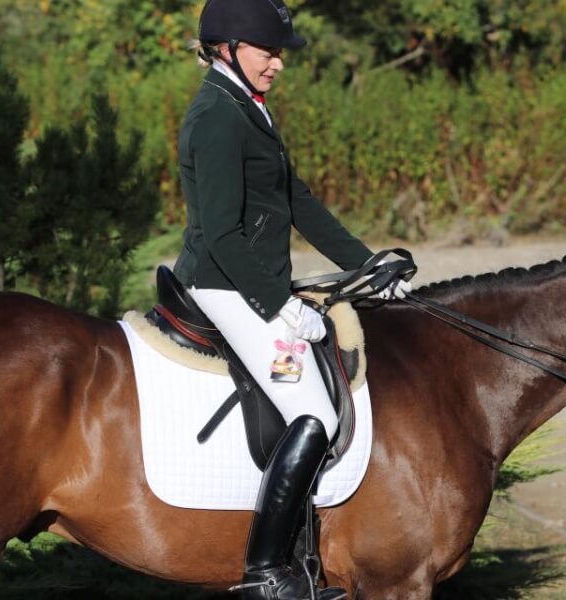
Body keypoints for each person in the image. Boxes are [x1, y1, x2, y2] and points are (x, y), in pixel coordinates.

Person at [173, 1, 411, 598]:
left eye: (279, 53)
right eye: (267, 52)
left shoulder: (249, 106)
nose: (277, 63)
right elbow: (224, 236)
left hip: (244, 277)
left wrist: (365, 263)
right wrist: (281, 304)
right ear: (226, 48)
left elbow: (297, 200)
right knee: (317, 414)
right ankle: (265, 573)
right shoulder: (218, 118)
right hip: (225, 283)